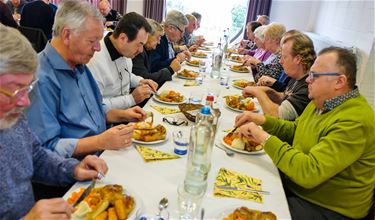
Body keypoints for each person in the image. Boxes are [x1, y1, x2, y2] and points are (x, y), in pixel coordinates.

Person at [235, 47, 375, 220]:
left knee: (247, 210)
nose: (308, 80)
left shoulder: (355, 120)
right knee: (239, 185)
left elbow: (309, 172)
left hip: (326, 207)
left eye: (314, 75)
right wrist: (261, 121)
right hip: (297, 186)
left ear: (339, 82)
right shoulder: (322, 100)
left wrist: (262, 136)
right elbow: (295, 130)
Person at [0, 23, 108, 220]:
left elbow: (37, 156)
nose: (24, 102)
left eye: (28, 89)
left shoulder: (11, 118)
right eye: (16, 90)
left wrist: (73, 169)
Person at [26, 0, 146, 158]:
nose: (98, 48)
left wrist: (124, 114)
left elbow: (95, 110)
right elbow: (45, 149)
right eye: (92, 41)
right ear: (67, 35)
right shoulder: (41, 78)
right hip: (73, 171)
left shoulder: (79, 65)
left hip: (102, 154)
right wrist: (100, 142)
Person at [88, 12, 157, 110]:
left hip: (126, 112)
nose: (141, 50)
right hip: (107, 122)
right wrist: (131, 99)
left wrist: (140, 81)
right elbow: (95, 106)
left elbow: (124, 74)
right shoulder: (94, 61)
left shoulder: (125, 50)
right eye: (139, 44)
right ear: (123, 38)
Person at [243, 31, 315, 120]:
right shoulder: (296, 77)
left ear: (297, 59)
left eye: (284, 57)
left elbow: (278, 115)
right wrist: (268, 91)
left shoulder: (307, 86)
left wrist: (258, 92)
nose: (280, 61)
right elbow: (285, 96)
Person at [132, 18, 181, 87]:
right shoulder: (138, 52)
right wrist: (170, 70)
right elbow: (145, 79)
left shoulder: (148, 50)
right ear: (147, 35)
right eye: (157, 38)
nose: (159, 42)